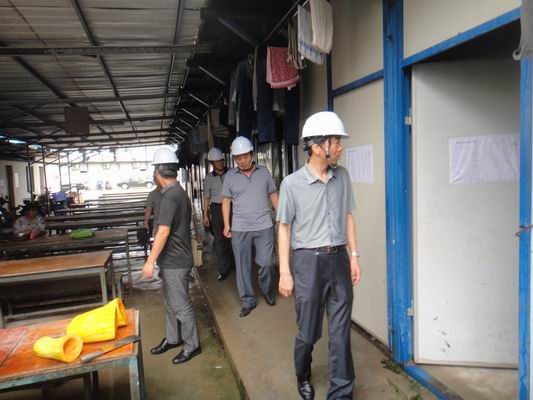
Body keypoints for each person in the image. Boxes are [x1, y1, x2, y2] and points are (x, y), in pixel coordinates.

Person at [277, 111, 362, 400]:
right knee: (309, 330)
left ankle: (341, 392)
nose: (340, 147)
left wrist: (353, 255)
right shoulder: (291, 184)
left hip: (339, 259)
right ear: (317, 147)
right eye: (335, 141)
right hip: (308, 262)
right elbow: (284, 228)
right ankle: (302, 373)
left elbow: (348, 216)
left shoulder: (342, 177)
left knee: (340, 332)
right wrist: (285, 272)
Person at [143, 147, 201, 364]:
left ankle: (192, 345)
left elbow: (163, 232)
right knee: (170, 303)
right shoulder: (179, 192)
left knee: (181, 305)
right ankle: (173, 338)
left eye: (154, 171)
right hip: (172, 260)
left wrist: (149, 261)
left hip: (176, 261)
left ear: (159, 172)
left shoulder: (170, 197)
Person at [222, 136, 279, 317]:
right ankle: (248, 300)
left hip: (264, 226)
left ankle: (267, 290)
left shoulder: (264, 172)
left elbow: (273, 194)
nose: (242, 161)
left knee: (267, 262)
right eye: (238, 158)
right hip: (240, 228)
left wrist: (281, 218)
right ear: (234, 159)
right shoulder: (230, 176)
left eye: (245, 156)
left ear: (252, 154)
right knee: (242, 266)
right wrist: (226, 224)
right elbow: (226, 201)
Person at [203, 147, 234, 281]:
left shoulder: (232, 173)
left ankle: (236, 264)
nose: (220, 163)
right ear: (212, 163)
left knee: (234, 238)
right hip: (216, 209)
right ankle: (224, 269)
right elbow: (206, 197)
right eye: (217, 161)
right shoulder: (209, 178)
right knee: (220, 240)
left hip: (233, 208)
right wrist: (205, 214)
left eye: (221, 160)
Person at [144, 171, 163, 236]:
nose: (154, 179)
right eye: (154, 178)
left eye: (156, 177)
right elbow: (148, 209)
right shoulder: (152, 194)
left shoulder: (171, 192)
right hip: (157, 225)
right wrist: (146, 222)